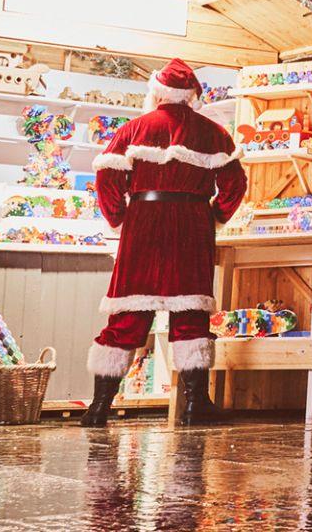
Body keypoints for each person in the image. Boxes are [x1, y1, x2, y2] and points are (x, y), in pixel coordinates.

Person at [82, 59, 245, 427]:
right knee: (190, 316)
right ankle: (194, 406)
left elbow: (107, 179)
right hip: (191, 226)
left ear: (156, 91)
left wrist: (119, 217)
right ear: (191, 96)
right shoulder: (214, 133)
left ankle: (98, 408)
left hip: (143, 223)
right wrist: (215, 214)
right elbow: (235, 184)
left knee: (127, 315)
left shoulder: (133, 129)